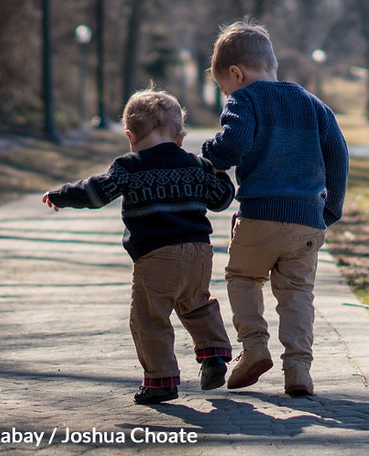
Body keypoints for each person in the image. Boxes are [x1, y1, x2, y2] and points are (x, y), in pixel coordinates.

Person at [42, 89, 235, 405]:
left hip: (156, 256)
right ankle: (214, 355)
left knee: (149, 318)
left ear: (130, 136)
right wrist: (220, 172)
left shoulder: (128, 166)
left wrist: (62, 195)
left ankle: (161, 380)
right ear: (180, 137)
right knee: (197, 304)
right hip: (199, 253)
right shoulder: (196, 165)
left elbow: (96, 193)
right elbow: (221, 199)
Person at [201, 20, 348, 397]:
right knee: (298, 292)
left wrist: (209, 153)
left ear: (237, 73)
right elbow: (338, 153)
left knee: (242, 277)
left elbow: (231, 146)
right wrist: (332, 207)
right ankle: (298, 369)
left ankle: (254, 348)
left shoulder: (244, 100)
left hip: (260, 215)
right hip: (307, 220)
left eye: (223, 87)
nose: (226, 94)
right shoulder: (311, 103)